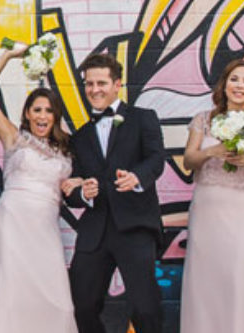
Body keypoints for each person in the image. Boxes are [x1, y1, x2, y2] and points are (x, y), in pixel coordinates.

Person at [0, 45, 78, 333]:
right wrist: (7, 57)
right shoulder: (14, 138)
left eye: (48, 111)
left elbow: (77, 184)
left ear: (55, 115)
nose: (43, 116)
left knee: (59, 302)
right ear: (28, 114)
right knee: (12, 294)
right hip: (13, 221)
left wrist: (77, 183)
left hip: (45, 227)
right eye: (37, 110)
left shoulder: (67, 149)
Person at [64, 52, 165, 333]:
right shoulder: (80, 136)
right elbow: (70, 188)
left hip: (135, 225)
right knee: (81, 305)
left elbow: (157, 159)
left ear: (117, 84)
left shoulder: (144, 118)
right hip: (95, 231)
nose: (94, 90)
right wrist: (84, 193)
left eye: (101, 83)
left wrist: (137, 177)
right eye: (89, 84)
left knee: (146, 307)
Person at [177, 59, 244, 332]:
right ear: (224, 84)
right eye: (235, 79)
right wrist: (213, 151)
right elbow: (189, 160)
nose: (240, 86)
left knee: (240, 275)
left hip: (242, 208)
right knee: (205, 278)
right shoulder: (203, 119)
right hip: (207, 207)